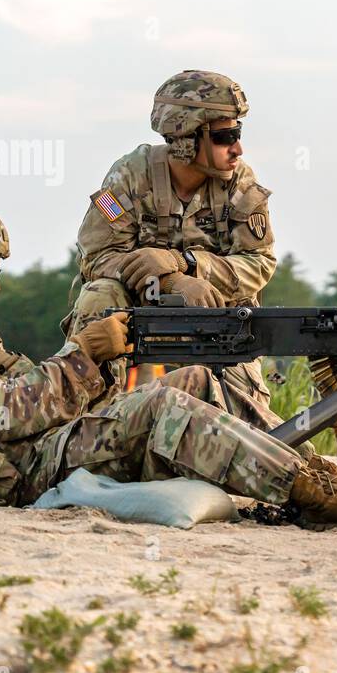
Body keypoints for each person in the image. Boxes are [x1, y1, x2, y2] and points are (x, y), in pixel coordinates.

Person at [0, 199, 337, 524]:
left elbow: (36, 393)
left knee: (197, 379)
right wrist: (86, 354)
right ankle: (318, 495)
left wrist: (103, 364)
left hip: (44, 447)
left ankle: (303, 471)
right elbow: (6, 415)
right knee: (159, 405)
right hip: (20, 474)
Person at [65, 70, 276, 415]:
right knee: (99, 295)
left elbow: (260, 263)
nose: (237, 148)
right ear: (187, 137)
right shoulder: (131, 175)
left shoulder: (240, 183)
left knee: (250, 423)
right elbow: (96, 256)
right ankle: (83, 415)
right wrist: (170, 281)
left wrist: (188, 265)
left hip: (217, 315)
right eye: (226, 136)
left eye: (237, 134)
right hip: (139, 313)